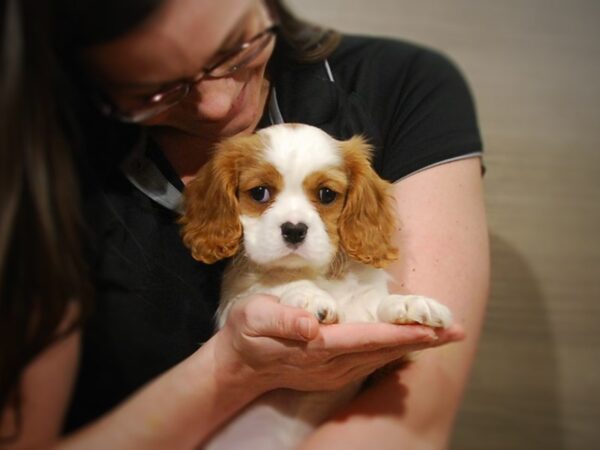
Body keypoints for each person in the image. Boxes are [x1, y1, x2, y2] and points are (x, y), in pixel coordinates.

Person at [0, 0, 489, 448]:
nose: (217, 105)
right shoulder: (44, 158)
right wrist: (230, 367)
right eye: (155, 91)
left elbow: (412, 415)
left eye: (236, 47)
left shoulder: (401, 84)